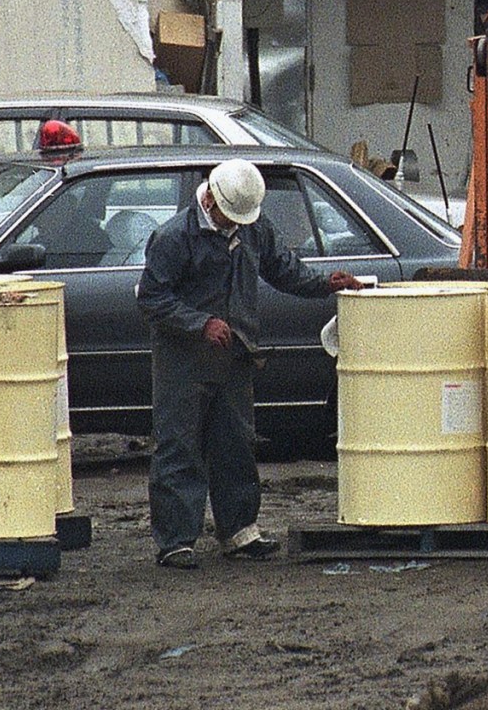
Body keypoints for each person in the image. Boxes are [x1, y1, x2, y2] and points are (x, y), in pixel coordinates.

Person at [136, 158, 367, 567]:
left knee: (235, 443)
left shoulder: (252, 228)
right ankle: (175, 540)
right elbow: (152, 298)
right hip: (183, 362)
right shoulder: (174, 238)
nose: (234, 225)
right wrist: (200, 323)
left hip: (233, 355)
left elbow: (283, 270)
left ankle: (240, 531)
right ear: (209, 201)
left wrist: (325, 283)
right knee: (180, 445)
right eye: (229, 218)